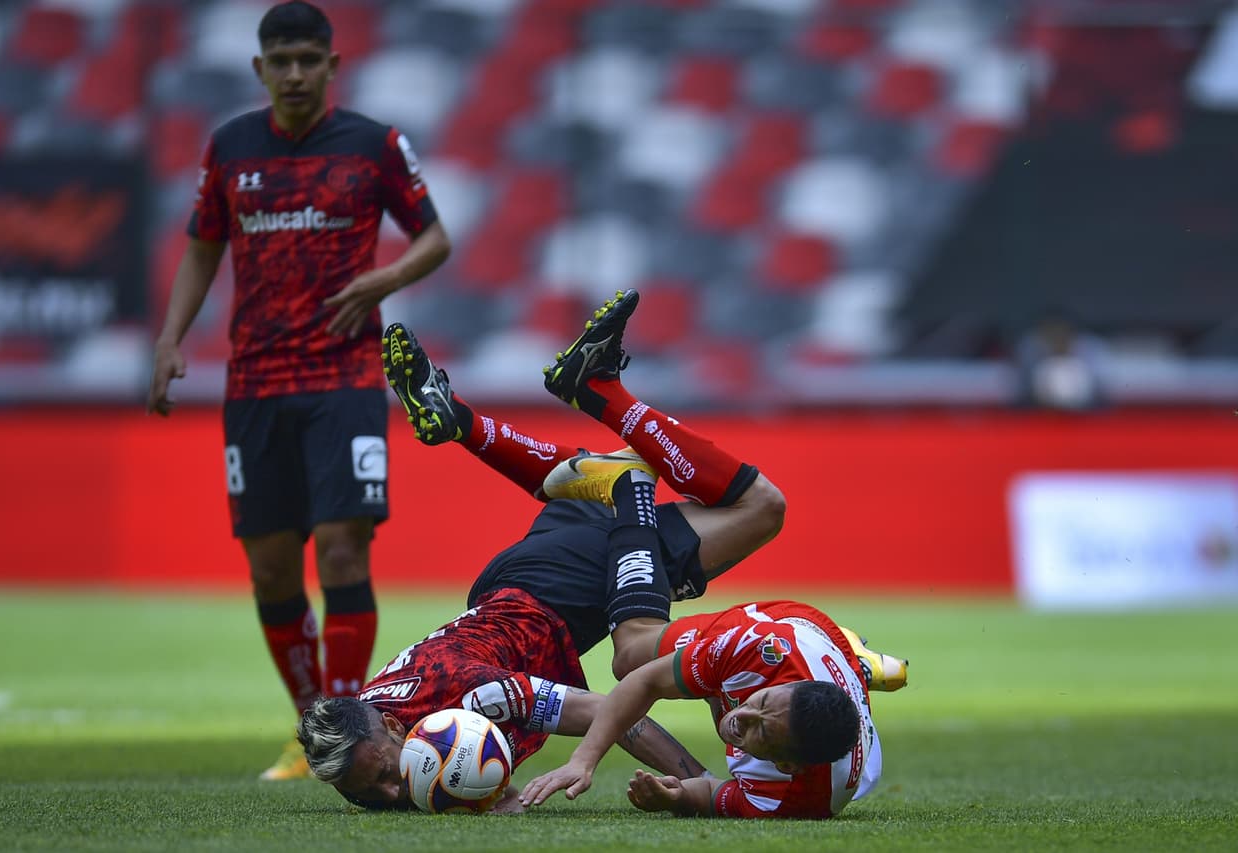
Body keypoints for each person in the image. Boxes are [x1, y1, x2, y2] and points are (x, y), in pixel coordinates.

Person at [297, 290, 794, 811]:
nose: (390, 792)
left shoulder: (467, 694)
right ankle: (464, 422)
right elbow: (440, 772)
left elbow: (610, 713)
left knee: (754, 510)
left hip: (567, 589)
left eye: (383, 775)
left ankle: (597, 392)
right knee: (608, 468)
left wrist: (703, 786)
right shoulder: (367, 713)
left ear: (397, 728)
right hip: (512, 588)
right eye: (363, 794)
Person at [145, 1, 451, 780]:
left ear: (331, 66)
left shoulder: (374, 146)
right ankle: (308, 728)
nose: (292, 74)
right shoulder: (231, 148)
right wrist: (171, 337)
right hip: (255, 383)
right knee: (272, 567)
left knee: (344, 548)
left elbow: (435, 237)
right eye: (278, 60)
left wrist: (382, 278)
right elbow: (202, 245)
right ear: (259, 68)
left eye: (307, 60)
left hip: (344, 378)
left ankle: (345, 730)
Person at [519, 597, 906, 819]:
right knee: (630, 657)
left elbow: (713, 793)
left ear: (788, 766)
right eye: (762, 701)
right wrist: (583, 760)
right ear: (790, 685)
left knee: (718, 691)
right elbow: (645, 681)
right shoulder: (761, 646)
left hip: (831, 691)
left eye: (761, 731)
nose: (742, 716)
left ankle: (851, 669)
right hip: (797, 628)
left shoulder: (791, 800)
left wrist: (676, 798)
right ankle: (631, 491)